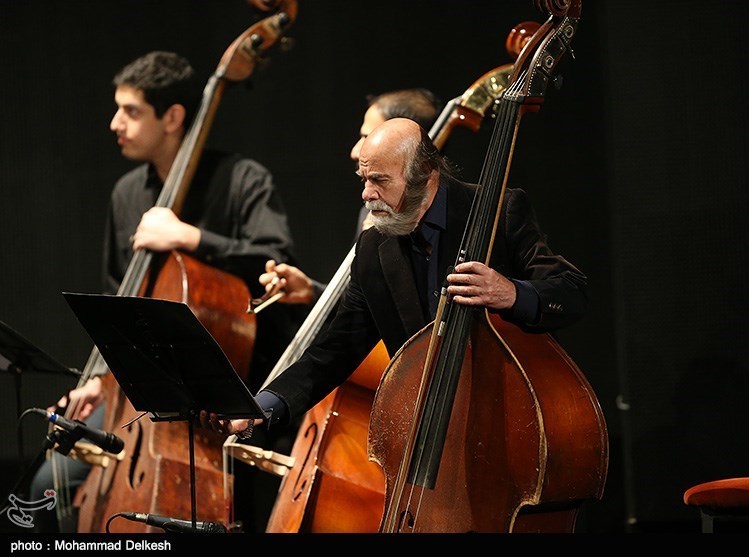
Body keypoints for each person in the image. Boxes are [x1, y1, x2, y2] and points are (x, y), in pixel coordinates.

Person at [200, 118, 589, 517]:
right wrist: (259, 408)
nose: (367, 194)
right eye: (363, 179)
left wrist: (511, 293)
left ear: (424, 174)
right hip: (428, 446)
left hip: (506, 434)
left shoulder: (498, 211)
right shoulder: (373, 248)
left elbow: (572, 292)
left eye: (380, 181)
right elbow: (332, 352)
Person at [28, 50, 304, 533]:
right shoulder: (126, 194)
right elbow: (120, 305)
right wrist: (102, 381)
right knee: (47, 486)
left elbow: (276, 256)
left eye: (131, 111)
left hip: (233, 402)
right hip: (140, 406)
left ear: (173, 117)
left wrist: (190, 237)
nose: (116, 123)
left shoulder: (243, 180)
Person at [259, 87, 443, 307]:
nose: (355, 151)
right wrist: (312, 290)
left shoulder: (441, 218)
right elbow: (364, 310)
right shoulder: (371, 211)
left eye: (367, 136)